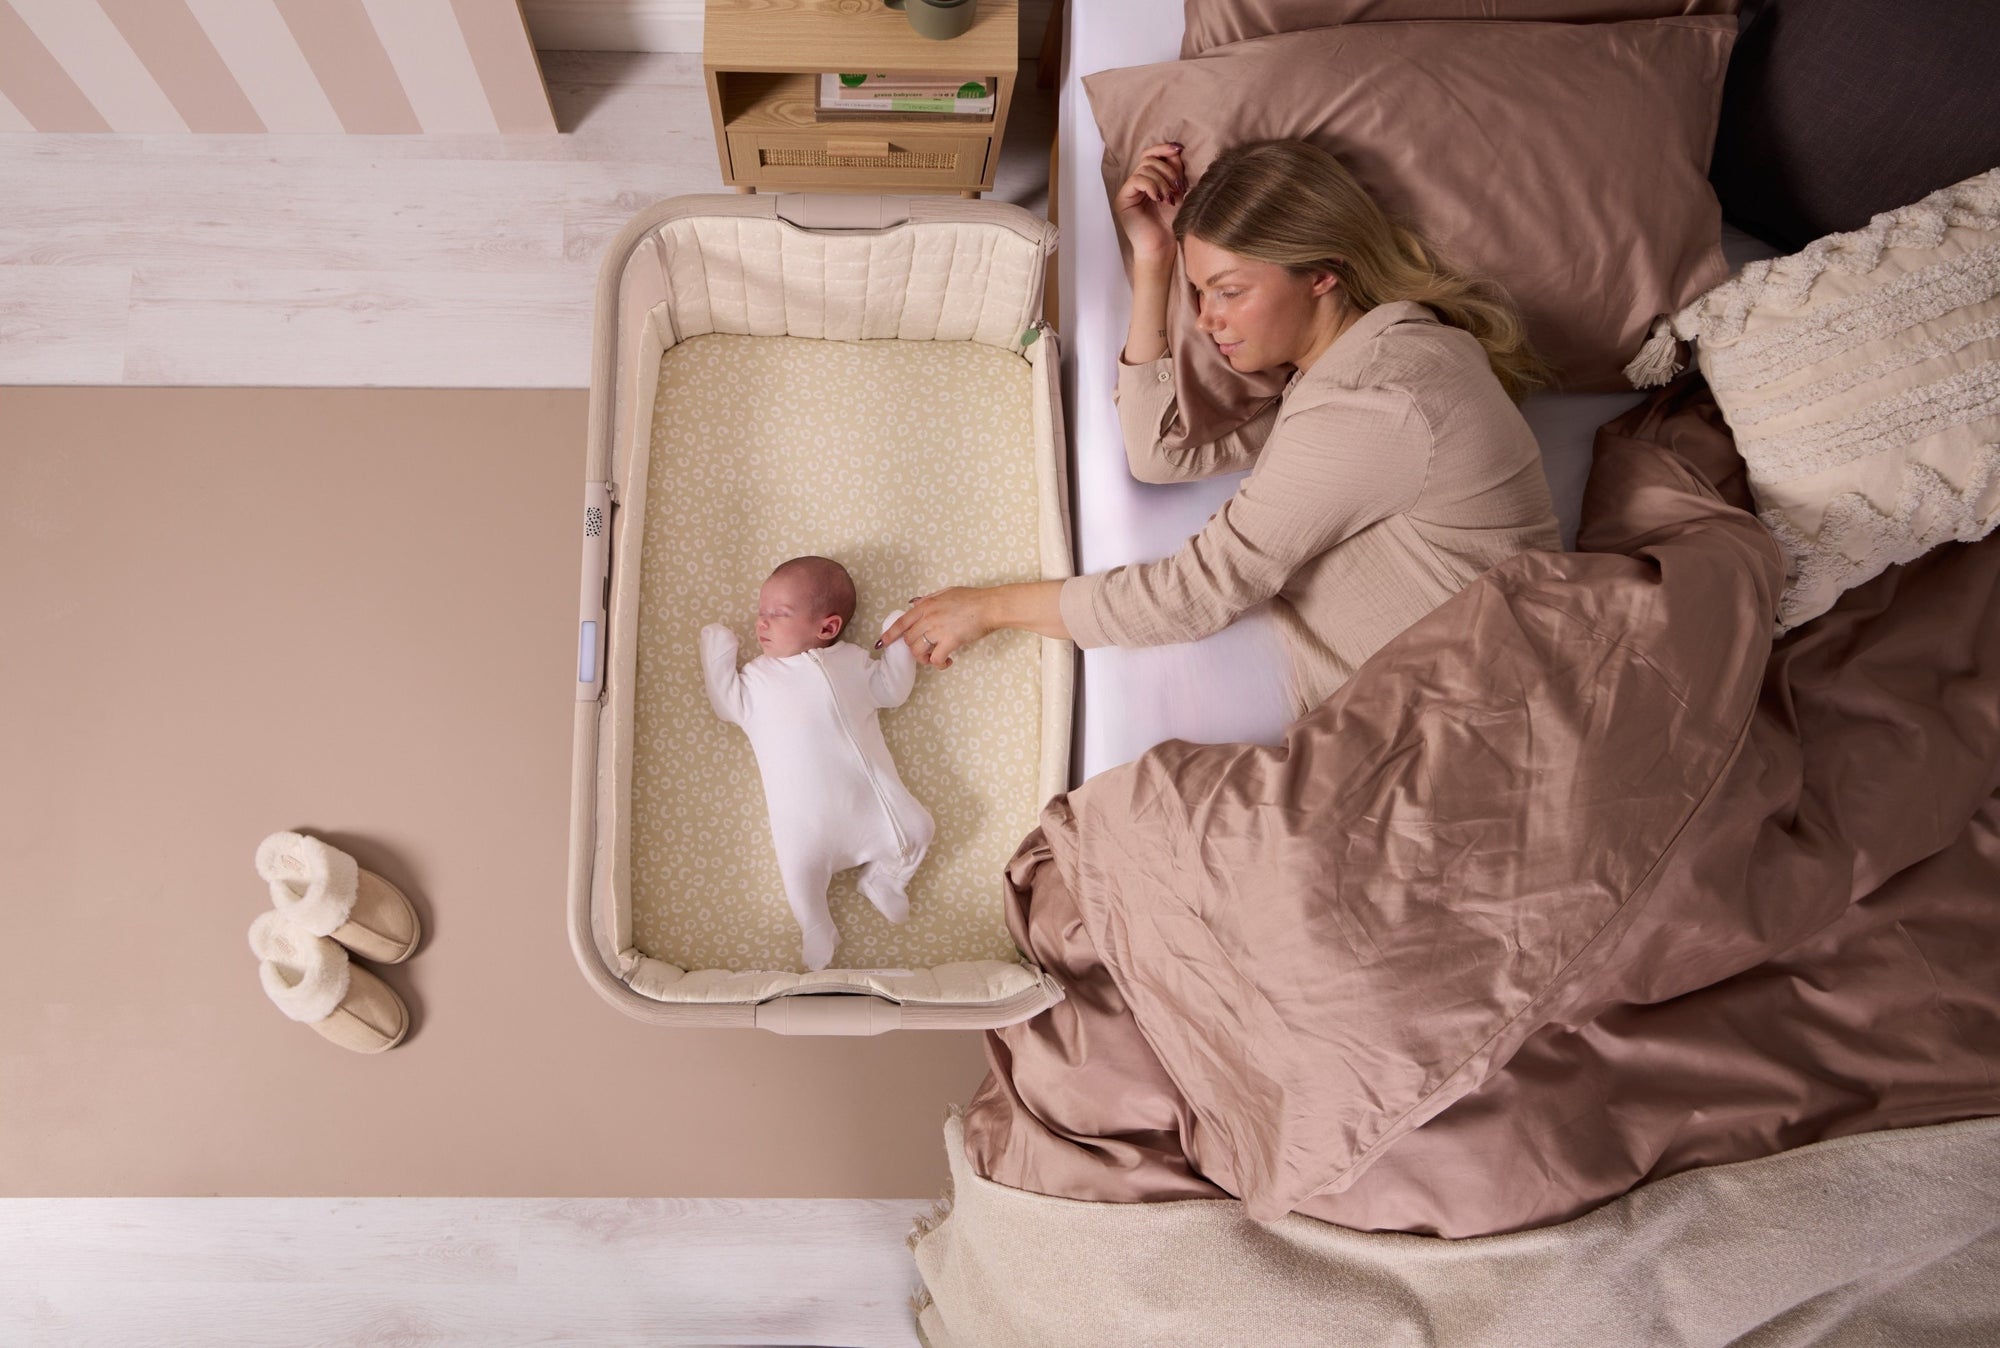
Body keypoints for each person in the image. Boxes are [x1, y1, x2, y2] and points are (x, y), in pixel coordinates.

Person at [880, 138, 1562, 717]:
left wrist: (987, 609)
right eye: (1199, 291)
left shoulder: (1377, 401)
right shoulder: (1350, 372)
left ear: (1323, 274)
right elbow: (1158, 454)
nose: (1205, 320)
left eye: (1230, 292)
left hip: (1473, 713)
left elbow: (1194, 595)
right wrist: (1153, 263)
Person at [701, 556, 935, 972]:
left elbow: (892, 690)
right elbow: (725, 704)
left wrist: (897, 638)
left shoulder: (852, 663)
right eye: (761, 612)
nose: (762, 623)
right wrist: (717, 652)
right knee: (800, 872)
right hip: (803, 823)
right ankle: (816, 924)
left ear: (827, 627)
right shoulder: (757, 679)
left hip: (873, 808)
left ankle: (886, 878)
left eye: (779, 614)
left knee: (919, 828)